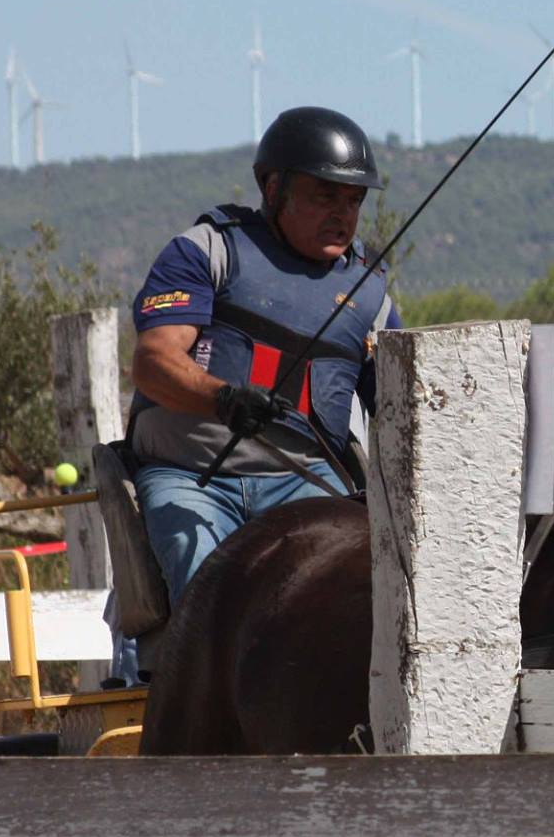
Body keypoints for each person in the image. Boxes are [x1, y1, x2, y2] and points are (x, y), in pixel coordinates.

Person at [112, 106, 399, 678]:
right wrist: (224, 399)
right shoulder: (206, 251)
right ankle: (198, 701)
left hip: (305, 483)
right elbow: (153, 362)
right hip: (192, 476)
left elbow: (400, 405)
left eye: (353, 201)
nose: (343, 214)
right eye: (324, 196)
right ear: (274, 187)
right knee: (203, 568)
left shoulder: (372, 296)